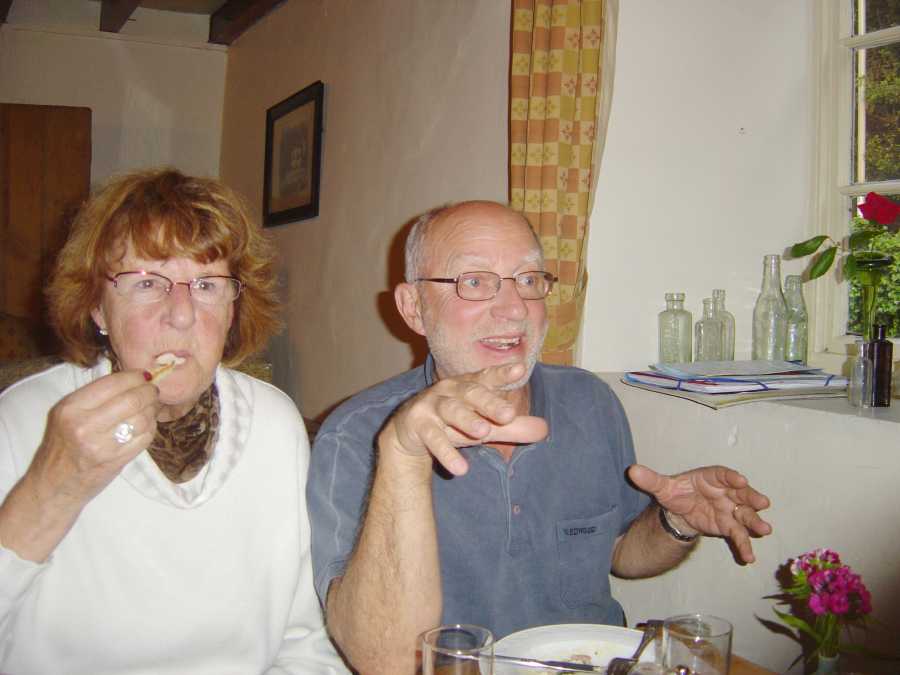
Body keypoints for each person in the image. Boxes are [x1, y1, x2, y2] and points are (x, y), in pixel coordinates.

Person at [307, 200, 773, 674]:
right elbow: (384, 661)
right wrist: (404, 455)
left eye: (529, 280)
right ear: (414, 308)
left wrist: (675, 521)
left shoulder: (591, 402)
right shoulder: (355, 435)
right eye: (474, 282)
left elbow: (620, 552)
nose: (514, 309)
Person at [0, 169, 347, 674]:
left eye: (206, 284)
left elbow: (304, 644)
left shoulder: (274, 425)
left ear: (233, 308)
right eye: (147, 283)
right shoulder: (23, 420)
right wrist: (52, 486)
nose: (182, 315)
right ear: (98, 307)